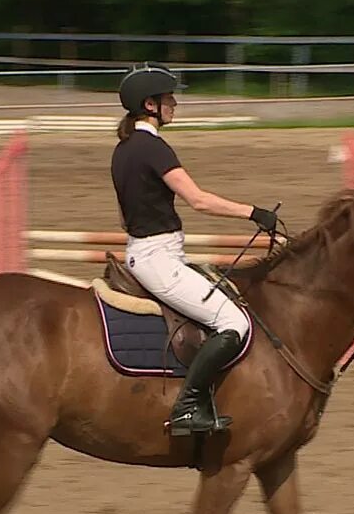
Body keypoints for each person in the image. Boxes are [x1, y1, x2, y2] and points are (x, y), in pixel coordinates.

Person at [110, 62, 279, 437]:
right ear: (150, 104)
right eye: (169, 97)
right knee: (235, 322)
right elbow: (198, 200)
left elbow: (124, 217)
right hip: (158, 259)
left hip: (144, 252)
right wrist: (253, 212)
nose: (174, 103)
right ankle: (187, 408)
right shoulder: (153, 148)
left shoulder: (122, 150)